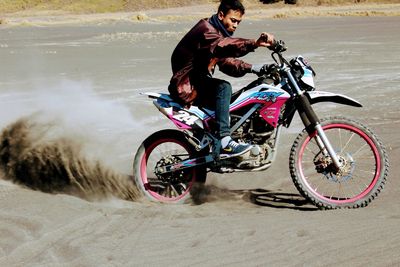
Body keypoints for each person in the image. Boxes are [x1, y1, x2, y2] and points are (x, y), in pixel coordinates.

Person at [168, 0, 275, 158]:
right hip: (187, 86)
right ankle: (225, 141)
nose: (235, 25)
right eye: (233, 20)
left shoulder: (216, 34)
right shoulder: (206, 30)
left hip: (196, 83)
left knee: (237, 101)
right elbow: (225, 46)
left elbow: (226, 63)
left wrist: (255, 68)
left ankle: (221, 141)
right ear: (221, 15)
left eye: (238, 22)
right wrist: (254, 43)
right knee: (223, 87)